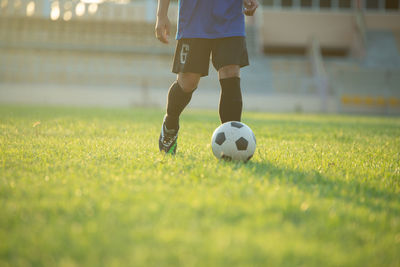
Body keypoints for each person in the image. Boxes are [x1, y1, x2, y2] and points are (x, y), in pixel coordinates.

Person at [156, 0, 259, 154]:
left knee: (231, 72)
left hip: (230, 16)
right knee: (188, 82)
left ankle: (232, 144)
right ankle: (170, 125)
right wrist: (161, 14)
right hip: (194, 17)